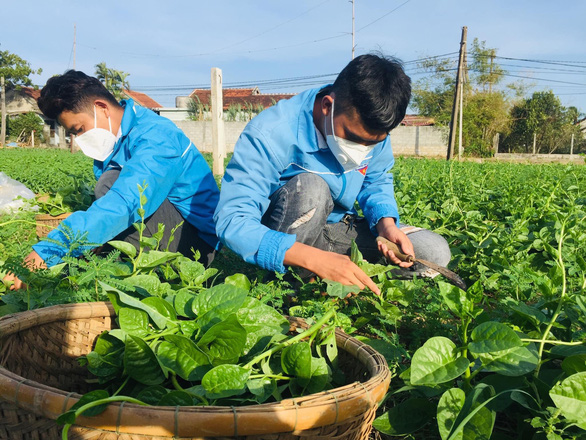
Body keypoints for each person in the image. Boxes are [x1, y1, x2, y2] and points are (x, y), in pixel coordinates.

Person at [214, 54, 451, 295]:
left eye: (372, 143)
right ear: (328, 106)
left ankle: (338, 277)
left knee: (433, 251)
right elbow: (233, 220)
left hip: (338, 229)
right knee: (311, 189)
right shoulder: (270, 132)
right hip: (288, 237)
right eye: (352, 137)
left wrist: (385, 225)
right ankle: (291, 286)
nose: (361, 151)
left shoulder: (374, 128)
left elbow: (377, 180)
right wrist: (313, 258)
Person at [4, 70, 219, 289]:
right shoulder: (119, 140)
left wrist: (51, 248)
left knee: (110, 183)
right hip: (166, 226)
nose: (79, 139)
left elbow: (126, 202)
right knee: (92, 237)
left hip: (195, 247)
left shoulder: (156, 136)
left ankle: (165, 277)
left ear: (101, 107)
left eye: (79, 129)